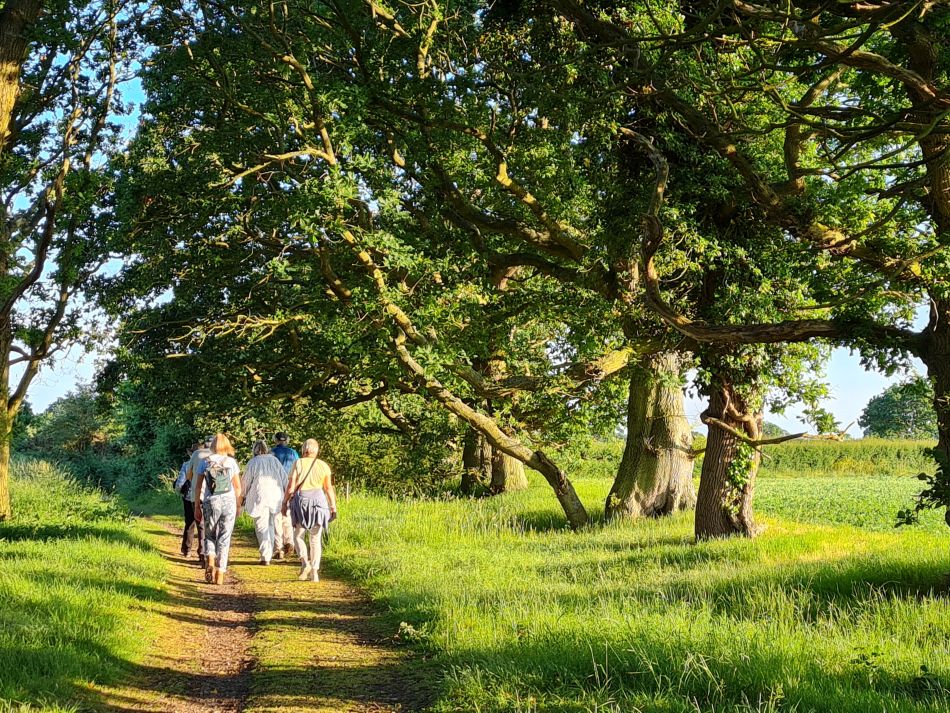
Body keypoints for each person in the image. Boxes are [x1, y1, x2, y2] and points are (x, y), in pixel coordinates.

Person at [282, 438, 337, 582]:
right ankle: (314, 571)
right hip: (319, 501)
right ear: (316, 450)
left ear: (303, 449)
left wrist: (284, 502)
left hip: (302, 502)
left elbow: (291, 486)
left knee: (298, 535)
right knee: (315, 538)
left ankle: (304, 562)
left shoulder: (298, 463)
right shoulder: (323, 465)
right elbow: (328, 488)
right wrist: (333, 507)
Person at [194, 433, 242, 586]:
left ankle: (210, 558)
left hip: (210, 501)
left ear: (213, 446)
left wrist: (197, 506)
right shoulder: (231, 462)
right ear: (227, 446)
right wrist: (239, 505)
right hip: (229, 502)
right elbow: (237, 487)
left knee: (209, 534)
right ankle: (220, 573)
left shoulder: (205, 462)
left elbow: (198, 486)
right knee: (225, 536)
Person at [241, 440, 288, 565]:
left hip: (259, 497)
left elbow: (245, 482)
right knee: (271, 525)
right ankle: (268, 553)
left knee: (261, 526)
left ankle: (265, 555)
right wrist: (287, 495)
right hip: (275, 496)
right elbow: (284, 479)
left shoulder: (253, 462)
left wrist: (242, 495)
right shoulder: (275, 461)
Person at [184, 435, 213, 566]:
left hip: (198, 494)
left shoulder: (197, 454)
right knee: (212, 525)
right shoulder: (224, 456)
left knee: (200, 525)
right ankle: (211, 553)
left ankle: (202, 552)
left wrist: (194, 480)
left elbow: (188, 474)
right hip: (216, 495)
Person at [271, 432, 299, 558]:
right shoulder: (293, 453)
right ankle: (289, 541)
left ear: (275, 440)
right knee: (287, 515)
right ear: (287, 440)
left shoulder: (271, 453)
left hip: (275, 486)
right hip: (289, 485)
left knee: (276, 517)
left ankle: (278, 548)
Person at [173, 443, 199, 557]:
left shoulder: (187, 464)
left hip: (189, 497)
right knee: (203, 525)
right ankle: (203, 553)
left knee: (189, 523)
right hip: (204, 498)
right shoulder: (208, 463)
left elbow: (180, 482)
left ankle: (187, 549)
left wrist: (178, 492)